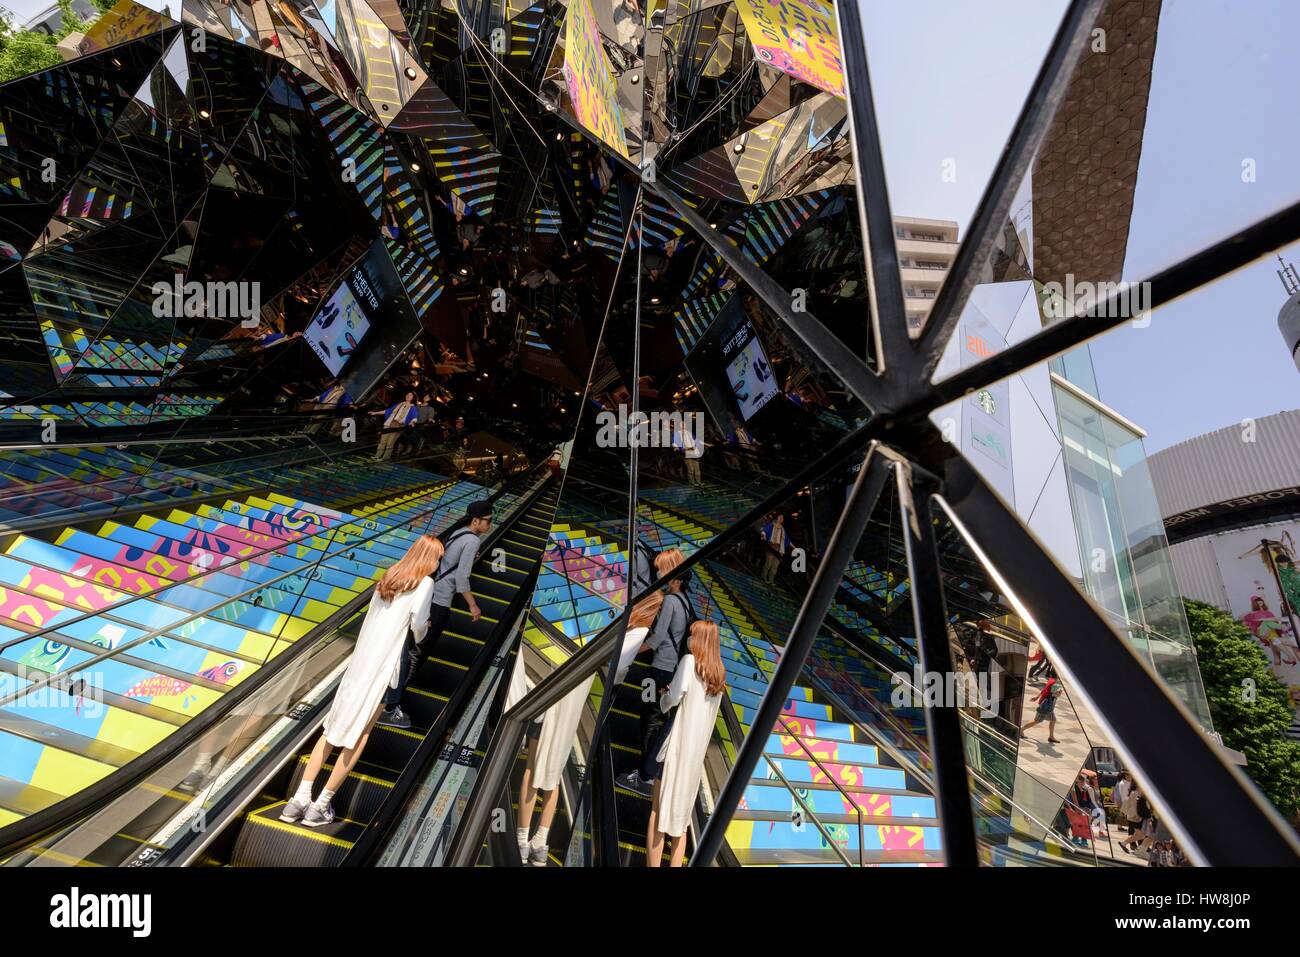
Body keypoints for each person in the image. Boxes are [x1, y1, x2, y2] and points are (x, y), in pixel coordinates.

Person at [516, 549, 682, 866]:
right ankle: (539, 842)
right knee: (552, 768)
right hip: (583, 696)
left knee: (535, 767)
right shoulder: (645, 619)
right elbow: (621, 665)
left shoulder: (627, 616)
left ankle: (526, 840)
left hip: (561, 685)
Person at [280, 535, 444, 826]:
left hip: (359, 665)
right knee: (359, 735)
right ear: (430, 559)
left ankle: (298, 800)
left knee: (331, 731)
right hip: (383, 669)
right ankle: (321, 805)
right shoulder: (425, 583)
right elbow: (418, 624)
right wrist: (422, 631)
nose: (438, 564)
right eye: (438, 558)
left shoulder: (391, 576)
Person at [379, 500, 491, 728]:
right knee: (417, 655)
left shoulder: (458, 533)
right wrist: (472, 605)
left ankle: (386, 696)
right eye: (488, 520)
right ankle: (391, 705)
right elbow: (461, 579)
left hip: (430, 596)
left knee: (408, 650)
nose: (490, 524)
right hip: (440, 601)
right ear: (476, 521)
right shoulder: (472, 540)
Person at [645, 619, 727, 867]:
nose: (688, 639)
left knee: (658, 812)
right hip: (694, 759)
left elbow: (673, 697)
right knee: (680, 822)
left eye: (692, 635)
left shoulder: (690, 662)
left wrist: (663, 699)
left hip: (675, 748)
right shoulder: (719, 676)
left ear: (700, 640)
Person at [615, 550, 690, 797]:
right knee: (653, 719)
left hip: (659, 670)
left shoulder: (670, 600)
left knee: (648, 720)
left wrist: (631, 650)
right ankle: (647, 773)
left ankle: (645, 776)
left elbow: (657, 638)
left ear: (672, 574)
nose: (657, 573)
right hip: (669, 669)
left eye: (660, 569)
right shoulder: (685, 603)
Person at [372, 391, 419, 460]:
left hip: (398, 426)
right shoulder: (399, 404)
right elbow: (388, 411)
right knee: (382, 441)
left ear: (413, 398)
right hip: (389, 423)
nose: (408, 396)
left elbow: (414, 417)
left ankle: (385, 458)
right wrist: (375, 413)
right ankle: (377, 456)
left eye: (411, 395)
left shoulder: (413, 408)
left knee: (390, 443)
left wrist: (412, 422)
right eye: (407, 394)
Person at [1019, 675, 1062, 743]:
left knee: (1053, 720)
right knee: (1037, 721)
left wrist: (1037, 697)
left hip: (1048, 706)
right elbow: (1055, 695)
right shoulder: (1055, 683)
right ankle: (1021, 729)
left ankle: (1051, 737)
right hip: (1046, 706)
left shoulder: (1051, 680)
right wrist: (1059, 693)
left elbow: (1044, 690)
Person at [760, 513, 787, 583]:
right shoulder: (771, 525)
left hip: (779, 548)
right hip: (771, 545)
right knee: (768, 563)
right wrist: (763, 535)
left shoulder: (782, 529)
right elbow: (764, 531)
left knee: (775, 566)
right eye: (780, 517)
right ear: (777, 518)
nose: (781, 519)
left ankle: (771, 580)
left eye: (782, 518)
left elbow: (786, 540)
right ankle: (764, 578)